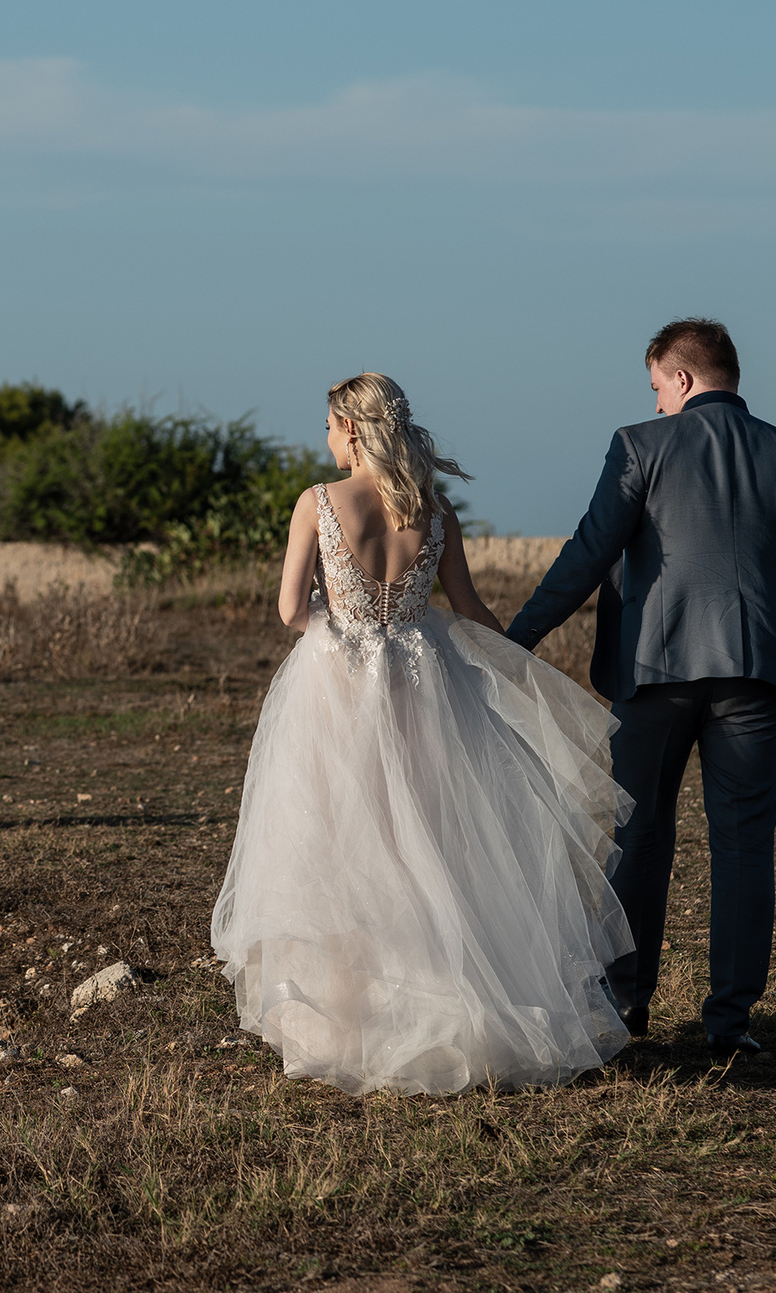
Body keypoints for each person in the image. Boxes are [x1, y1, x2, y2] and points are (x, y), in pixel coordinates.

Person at [212, 373, 635, 1095]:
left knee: (343, 841)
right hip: (421, 683)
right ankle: (445, 1008)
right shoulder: (435, 511)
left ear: (351, 427)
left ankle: (354, 1022)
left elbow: (289, 610)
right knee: (427, 842)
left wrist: (343, 627)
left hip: (336, 691)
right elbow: (468, 609)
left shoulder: (318, 503)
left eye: (327, 425)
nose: (324, 439)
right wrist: (516, 668)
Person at [504, 319, 776, 1058]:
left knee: (638, 837)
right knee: (745, 845)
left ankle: (627, 1007)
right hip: (758, 677)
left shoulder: (640, 446)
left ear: (682, 379)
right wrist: (774, 632)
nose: (656, 402)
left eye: (658, 386)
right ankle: (732, 1023)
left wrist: (519, 639)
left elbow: (589, 552)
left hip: (653, 674)